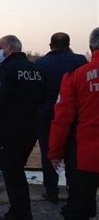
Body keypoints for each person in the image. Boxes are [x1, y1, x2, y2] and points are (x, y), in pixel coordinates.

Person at [0, 35, 44, 220]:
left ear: (10, 49)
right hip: (31, 130)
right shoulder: (35, 69)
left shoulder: (6, 69)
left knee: (12, 171)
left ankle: (20, 213)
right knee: (17, 169)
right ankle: (21, 211)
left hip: (11, 130)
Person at [48, 27, 99, 220]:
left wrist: (55, 152)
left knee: (78, 209)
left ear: (91, 47)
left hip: (85, 156)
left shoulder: (75, 76)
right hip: (85, 154)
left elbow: (62, 118)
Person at [34, 32, 87, 203]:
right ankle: (74, 191)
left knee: (49, 155)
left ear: (50, 46)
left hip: (47, 116)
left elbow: (36, 94)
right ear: (69, 44)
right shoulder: (79, 61)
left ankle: (51, 192)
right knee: (73, 155)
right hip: (74, 117)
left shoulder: (40, 63)